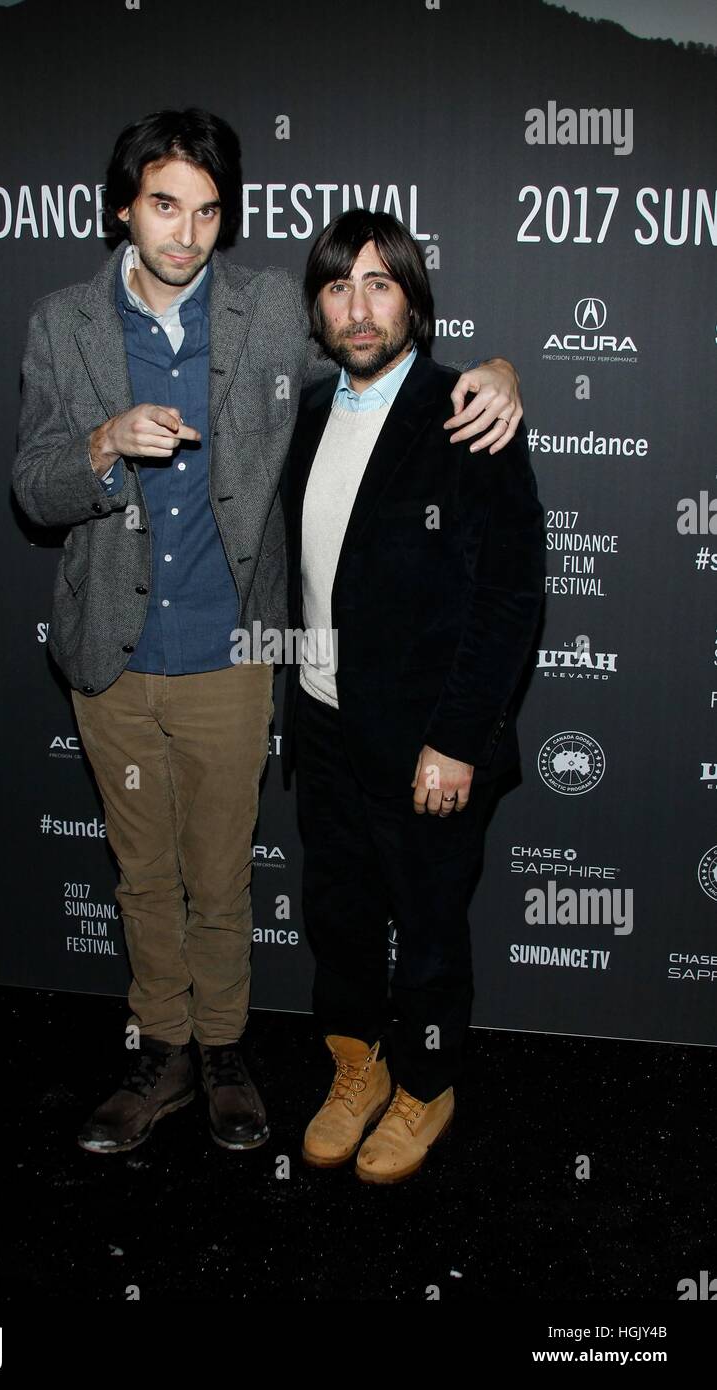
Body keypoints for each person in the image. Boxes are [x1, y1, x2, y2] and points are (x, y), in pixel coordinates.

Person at [12, 107, 524, 1158]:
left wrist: (505, 370)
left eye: (206, 212)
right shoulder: (60, 324)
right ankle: (164, 1054)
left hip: (241, 661)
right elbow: (32, 485)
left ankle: (233, 1054)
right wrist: (101, 443)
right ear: (124, 209)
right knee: (145, 873)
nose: (186, 234)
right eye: (164, 207)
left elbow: (382, 346)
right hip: (110, 655)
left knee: (226, 875)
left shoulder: (262, 313)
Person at [281, 209, 545, 1183]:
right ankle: (355, 1065)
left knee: (428, 924)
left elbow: (510, 592)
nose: (358, 306)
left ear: (413, 301)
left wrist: (457, 738)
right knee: (339, 915)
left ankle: (425, 1087)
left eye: (378, 282)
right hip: (322, 720)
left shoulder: (464, 409)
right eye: (338, 285)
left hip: (429, 738)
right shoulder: (306, 410)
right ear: (317, 306)